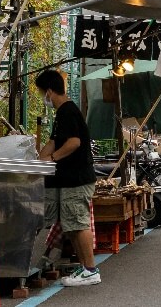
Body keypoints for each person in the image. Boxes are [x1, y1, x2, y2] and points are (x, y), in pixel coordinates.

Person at [35, 69, 100, 287]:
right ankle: (85, 269)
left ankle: (91, 270)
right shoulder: (61, 113)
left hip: (77, 178)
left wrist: (51, 158)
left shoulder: (68, 111)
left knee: (78, 224)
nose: (42, 97)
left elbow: (73, 142)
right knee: (72, 225)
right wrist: (38, 159)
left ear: (50, 91)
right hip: (68, 179)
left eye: (41, 93)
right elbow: (54, 141)